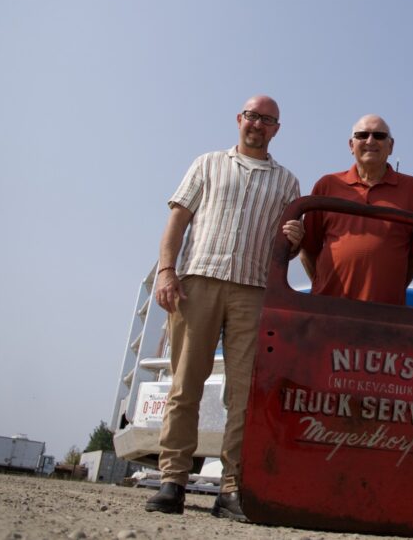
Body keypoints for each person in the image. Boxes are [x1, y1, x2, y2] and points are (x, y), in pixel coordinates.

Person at [145, 96, 302, 522]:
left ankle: (232, 488)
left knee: (243, 396)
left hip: (253, 292)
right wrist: (165, 271)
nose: (257, 124)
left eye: (267, 119)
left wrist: (297, 236)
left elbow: (286, 246)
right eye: (252, 116)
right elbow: (176, 221)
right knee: (184, 387)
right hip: (198, 281)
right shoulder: (206, 164)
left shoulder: (287, 182)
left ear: (276, 129)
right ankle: (172, 481)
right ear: (239, 119)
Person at [300, 114, 413, 304]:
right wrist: (323, 286)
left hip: (385, 312)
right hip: (328, 309)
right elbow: (308, 249)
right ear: (351, 145)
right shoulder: (327, 185)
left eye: (379, 135)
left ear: (390, 146)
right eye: (362, 135)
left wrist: (389, 289)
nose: (370, 141)